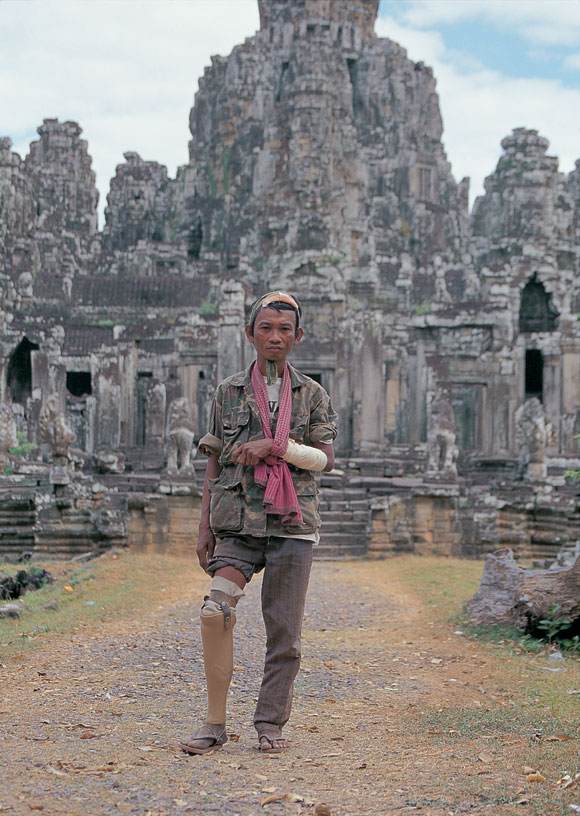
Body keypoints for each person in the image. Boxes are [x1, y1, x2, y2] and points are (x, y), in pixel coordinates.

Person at [180, 291, 337, 755]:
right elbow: (213, 462)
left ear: (297, 336)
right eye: (266, 328)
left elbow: (325, 460)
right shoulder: (228, 391)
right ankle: (214, 723)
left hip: (292, 522)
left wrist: (276, 446)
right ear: (249, 334)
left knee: (284, 634)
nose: (275, 336)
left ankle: (270, 722)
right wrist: (205, 526)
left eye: (284, 329)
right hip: (237, 520)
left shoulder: (312, 394)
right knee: (215, 611)